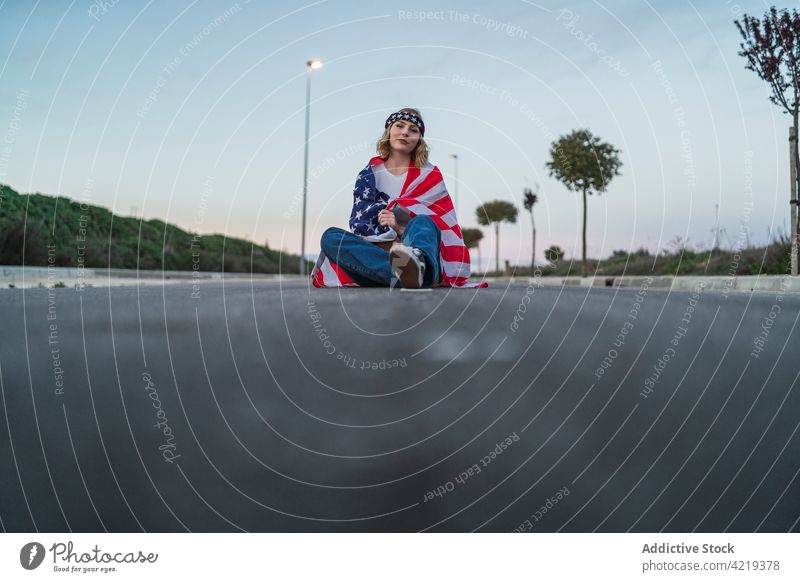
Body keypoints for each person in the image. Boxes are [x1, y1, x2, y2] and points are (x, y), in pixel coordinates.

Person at [311, 108, 485, 289]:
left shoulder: (429, 175)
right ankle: (407, 274)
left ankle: (414, 269)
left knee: (424, 221)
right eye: (399, 125)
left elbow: (440, 224)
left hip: (415, 250)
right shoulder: (367, 175)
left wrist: (401, 227)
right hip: (374, 253)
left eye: (413, 130)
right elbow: (359, 225)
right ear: (389, 131)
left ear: (419, 139)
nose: (405, 132)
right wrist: (389, 239)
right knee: (330, 237)